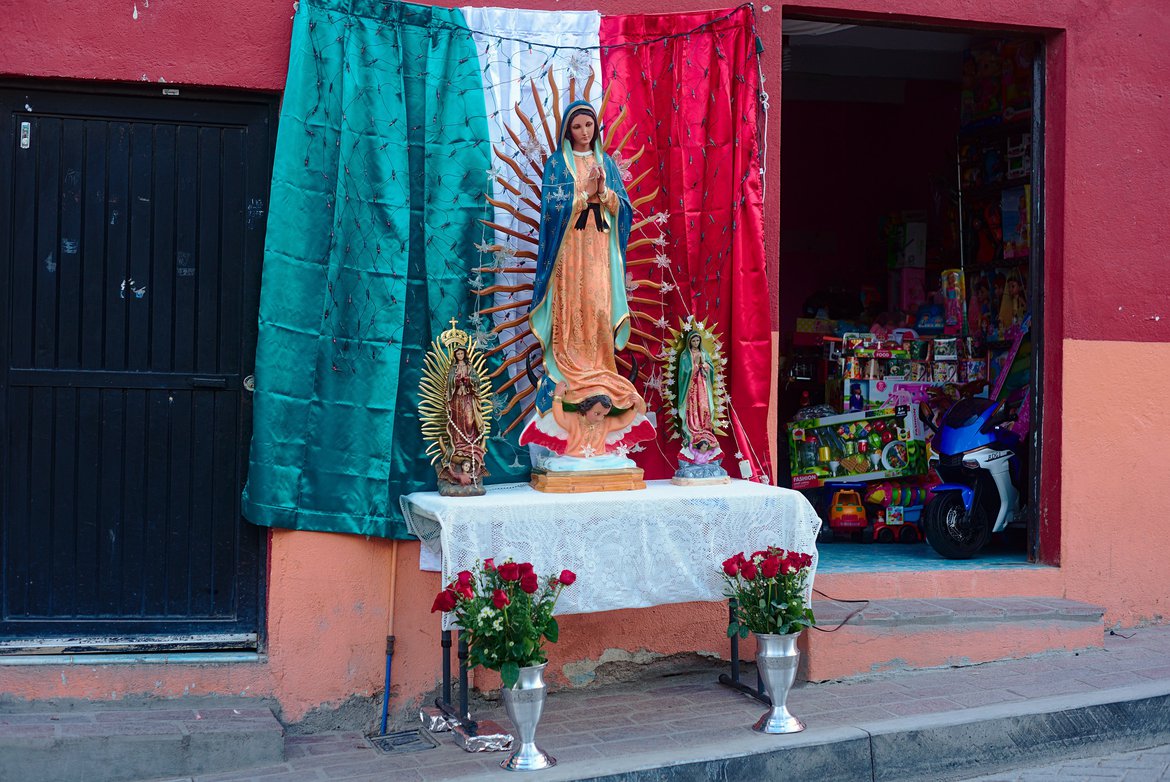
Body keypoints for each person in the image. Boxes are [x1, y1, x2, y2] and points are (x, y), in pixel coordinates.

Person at [527, 100, 640, 415]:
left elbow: (625, 211)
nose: (584, 132)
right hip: (569, 251)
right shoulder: (556, 165)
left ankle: (600, 367)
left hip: (598, 252)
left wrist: (603, 192)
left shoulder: (606, 163)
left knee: (597, 305)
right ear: (567, 131)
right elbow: (551, 210)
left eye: (588, 125)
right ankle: (571, 370)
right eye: (577, 127)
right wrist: (582, 193)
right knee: (572, 305)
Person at [446, 347, 485, 470]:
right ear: (455, 355)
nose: (460, 355)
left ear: (465, 354)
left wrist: (468, 380)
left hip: (468, 397)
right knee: (458, 421)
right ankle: (458, 445)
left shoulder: (470, 367)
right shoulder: (453, 368)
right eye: (458, 353)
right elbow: (449, 383)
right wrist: (456, 381)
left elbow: (477, 380)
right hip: (457, 399)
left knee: (469, 421)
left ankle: (470, 444)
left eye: (462, 353)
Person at [677, 333, 718, 451]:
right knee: (693, 407)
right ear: (689, 342)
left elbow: (710, 369)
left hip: (703, 386)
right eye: (693, 341)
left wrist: (703, 364)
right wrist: (695, 365)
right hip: (691, 387)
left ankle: (704, 427)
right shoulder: (685, 355)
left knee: (704, 406)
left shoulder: (704, 353)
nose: (696, 343)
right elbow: (683, 372)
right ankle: (693, 427)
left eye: (697, 341)